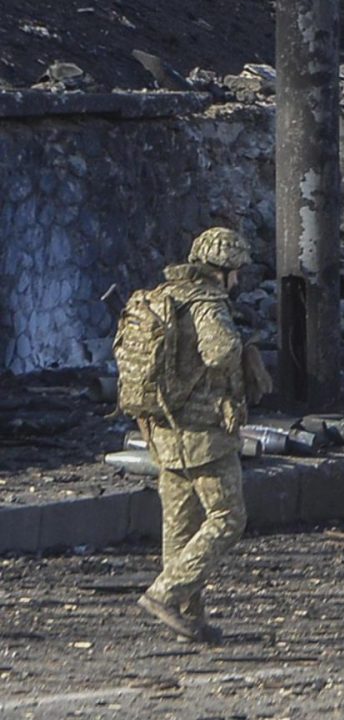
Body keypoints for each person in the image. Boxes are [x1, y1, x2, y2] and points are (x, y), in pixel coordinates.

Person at [115, 226, 269, 644]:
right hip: (204, 432)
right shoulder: (208, 303)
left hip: (162, 429)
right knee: (227, 517)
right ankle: (166, 594)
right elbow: (219, 351)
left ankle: (189, 617)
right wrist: (239, 361)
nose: (238, 280)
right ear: (224, 270)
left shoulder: (165, 295)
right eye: (236, 271)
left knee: (180, 526)